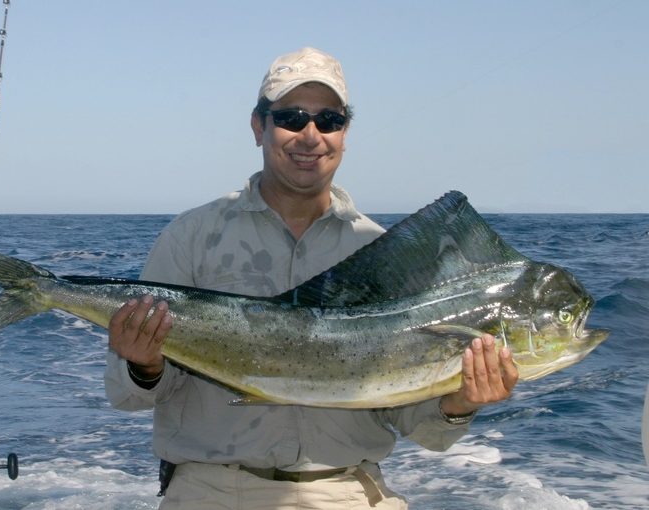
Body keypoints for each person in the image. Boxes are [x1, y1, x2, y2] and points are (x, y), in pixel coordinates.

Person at [105, 47, 519, 509]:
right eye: (291, 117)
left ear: (344, 134)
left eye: (328, 121)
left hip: (346, 490)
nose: (310, 136)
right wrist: (144, 366)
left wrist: (462, 401)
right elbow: (129, 397)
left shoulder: (378, 248)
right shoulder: (193, 236)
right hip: (213, 491)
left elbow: (417, 422)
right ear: (258, 126)